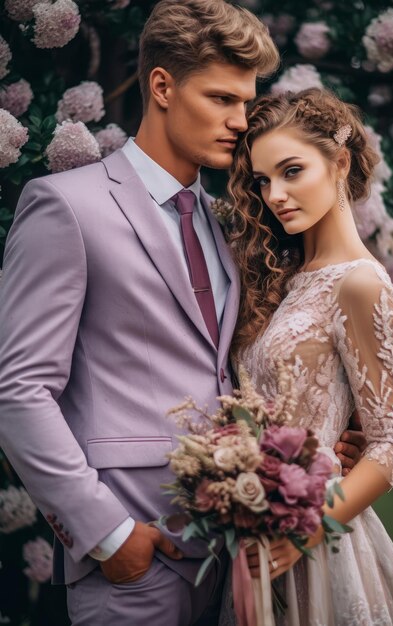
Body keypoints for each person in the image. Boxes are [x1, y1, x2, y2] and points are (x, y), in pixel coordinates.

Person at [0, 2, 363, 625]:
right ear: (162, 86)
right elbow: (18, 388)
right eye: (221, 99)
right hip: (136, 557)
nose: (239, 121)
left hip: (236, 558)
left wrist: (315, 452)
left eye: (245, 102)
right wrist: (108, 533)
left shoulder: (225, 225)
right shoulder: (66, 206)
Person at [219, 88, 393, 625]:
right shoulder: (284, 280)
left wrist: (306, 528)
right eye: (263, 181)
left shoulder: (360, 283)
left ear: (340, 161)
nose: (276, 194)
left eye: (291, 171)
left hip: (317, 539)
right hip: (254, 529)